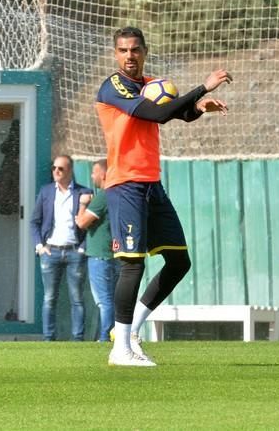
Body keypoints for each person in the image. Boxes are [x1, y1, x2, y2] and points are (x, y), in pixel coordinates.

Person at [95, 26, 232, 366]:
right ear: (116, 54)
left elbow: (174, 113)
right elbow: (155, 113)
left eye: (135, 50)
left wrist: (199, 107)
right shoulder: (112, 87)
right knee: (132, 264)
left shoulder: (151, 84)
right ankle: (119, 349)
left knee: (179, 262)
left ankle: (130, 333)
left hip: (151, 184)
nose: (130, 56)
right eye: (124, 50)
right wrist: (202, 86)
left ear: (144, 51)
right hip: (125, 183)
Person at [30, 155, 93, 341]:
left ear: (70, 171)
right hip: (51, 251)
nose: (56, 171)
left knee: (77, 299)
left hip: (75, 251)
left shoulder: (84, 192)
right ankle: (48, 338)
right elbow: (35, 221)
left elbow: (93, 224)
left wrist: (83, 248)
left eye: (61, 169)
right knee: (49, 298)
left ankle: (78, 339)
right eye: (54, 168)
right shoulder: (46, 192)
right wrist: (39, 246)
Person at [75, 159, 121, 342]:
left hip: (100, 256)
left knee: (104, 300)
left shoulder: (103, 196)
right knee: (114, 299)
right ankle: (117, 335)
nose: (92, 176)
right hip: (114, 255)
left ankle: (105, 337)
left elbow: (81, 222)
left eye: (94, 172)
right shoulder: (117, 194)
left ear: (103, 174)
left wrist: (83, 204)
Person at [0, 119, 20, 215]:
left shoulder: (14, 138)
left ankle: (10, 206)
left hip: (10, 166)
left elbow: (3, 148)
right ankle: (11, 206)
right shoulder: (18, 138)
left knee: (7, 185)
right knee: (10, 186)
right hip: (12, 166)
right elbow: (3, 148)